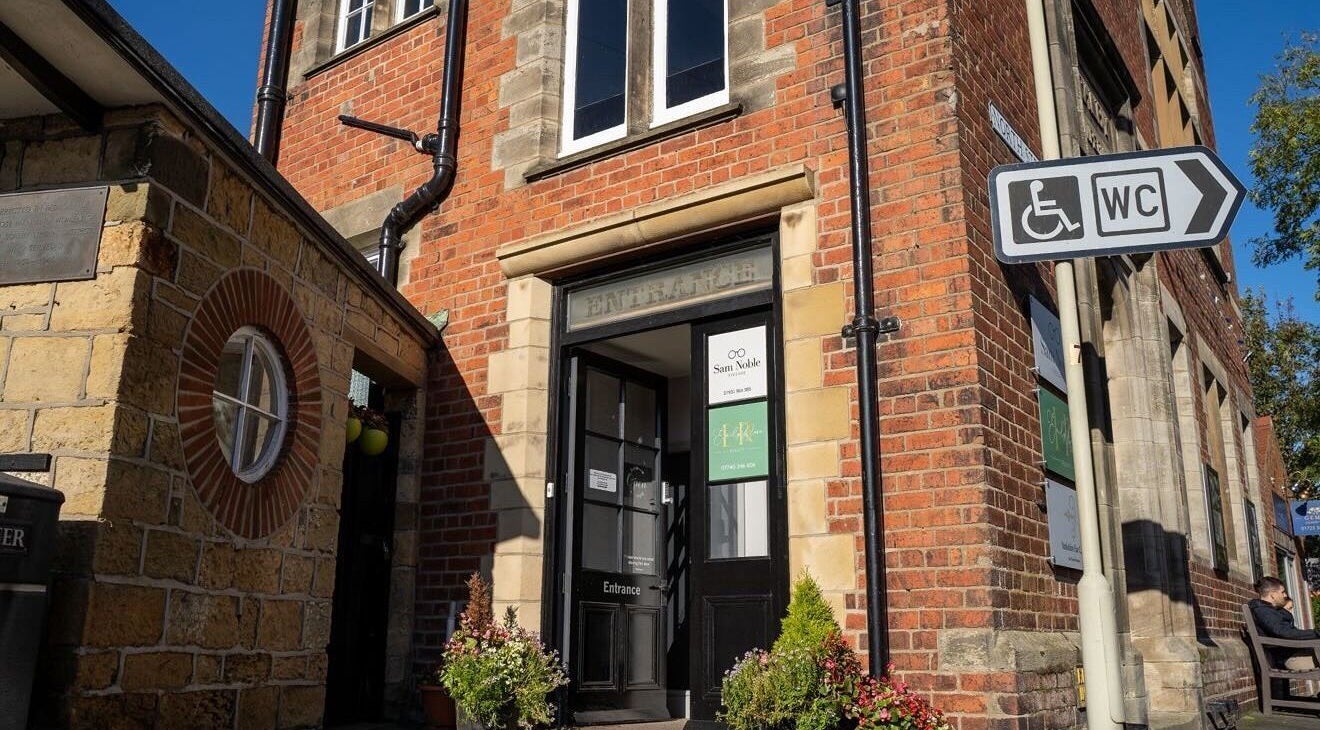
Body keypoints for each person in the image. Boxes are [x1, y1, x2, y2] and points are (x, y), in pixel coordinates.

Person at [1249, 576, 1320, 671]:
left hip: (1296, 653)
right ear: (1273, 595)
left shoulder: (1270, 610)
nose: (1285, 595)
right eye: (1282, 592)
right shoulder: (1263, 611)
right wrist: (1316, 633)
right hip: (1292, 658)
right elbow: (1284, 632)